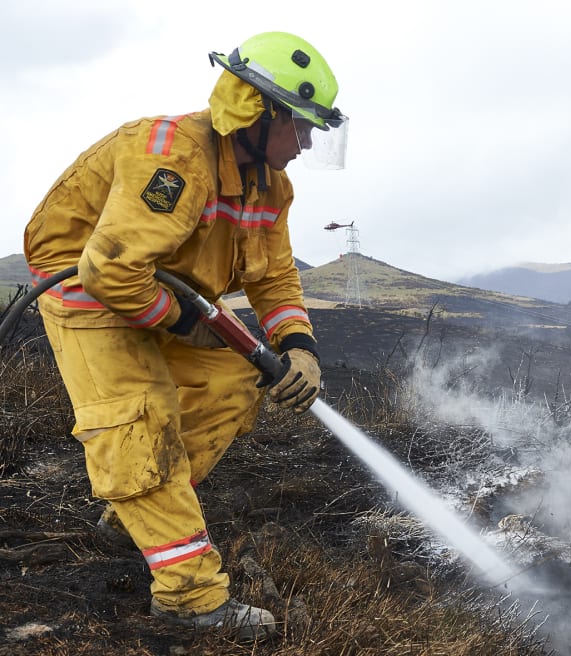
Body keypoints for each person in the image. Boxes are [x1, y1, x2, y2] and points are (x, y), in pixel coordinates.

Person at [22, 32, 348, 641]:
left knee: (235, 380)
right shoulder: (173, 157)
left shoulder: (270, 185)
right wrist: (183, 323)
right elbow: (109, 268)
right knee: (137, 422)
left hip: (163, 296)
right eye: (300, 127)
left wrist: (298, 346)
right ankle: (190, 598)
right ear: (259, 110)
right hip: (88, 293)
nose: (306, 143)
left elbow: (274, 275)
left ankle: (139, 511)